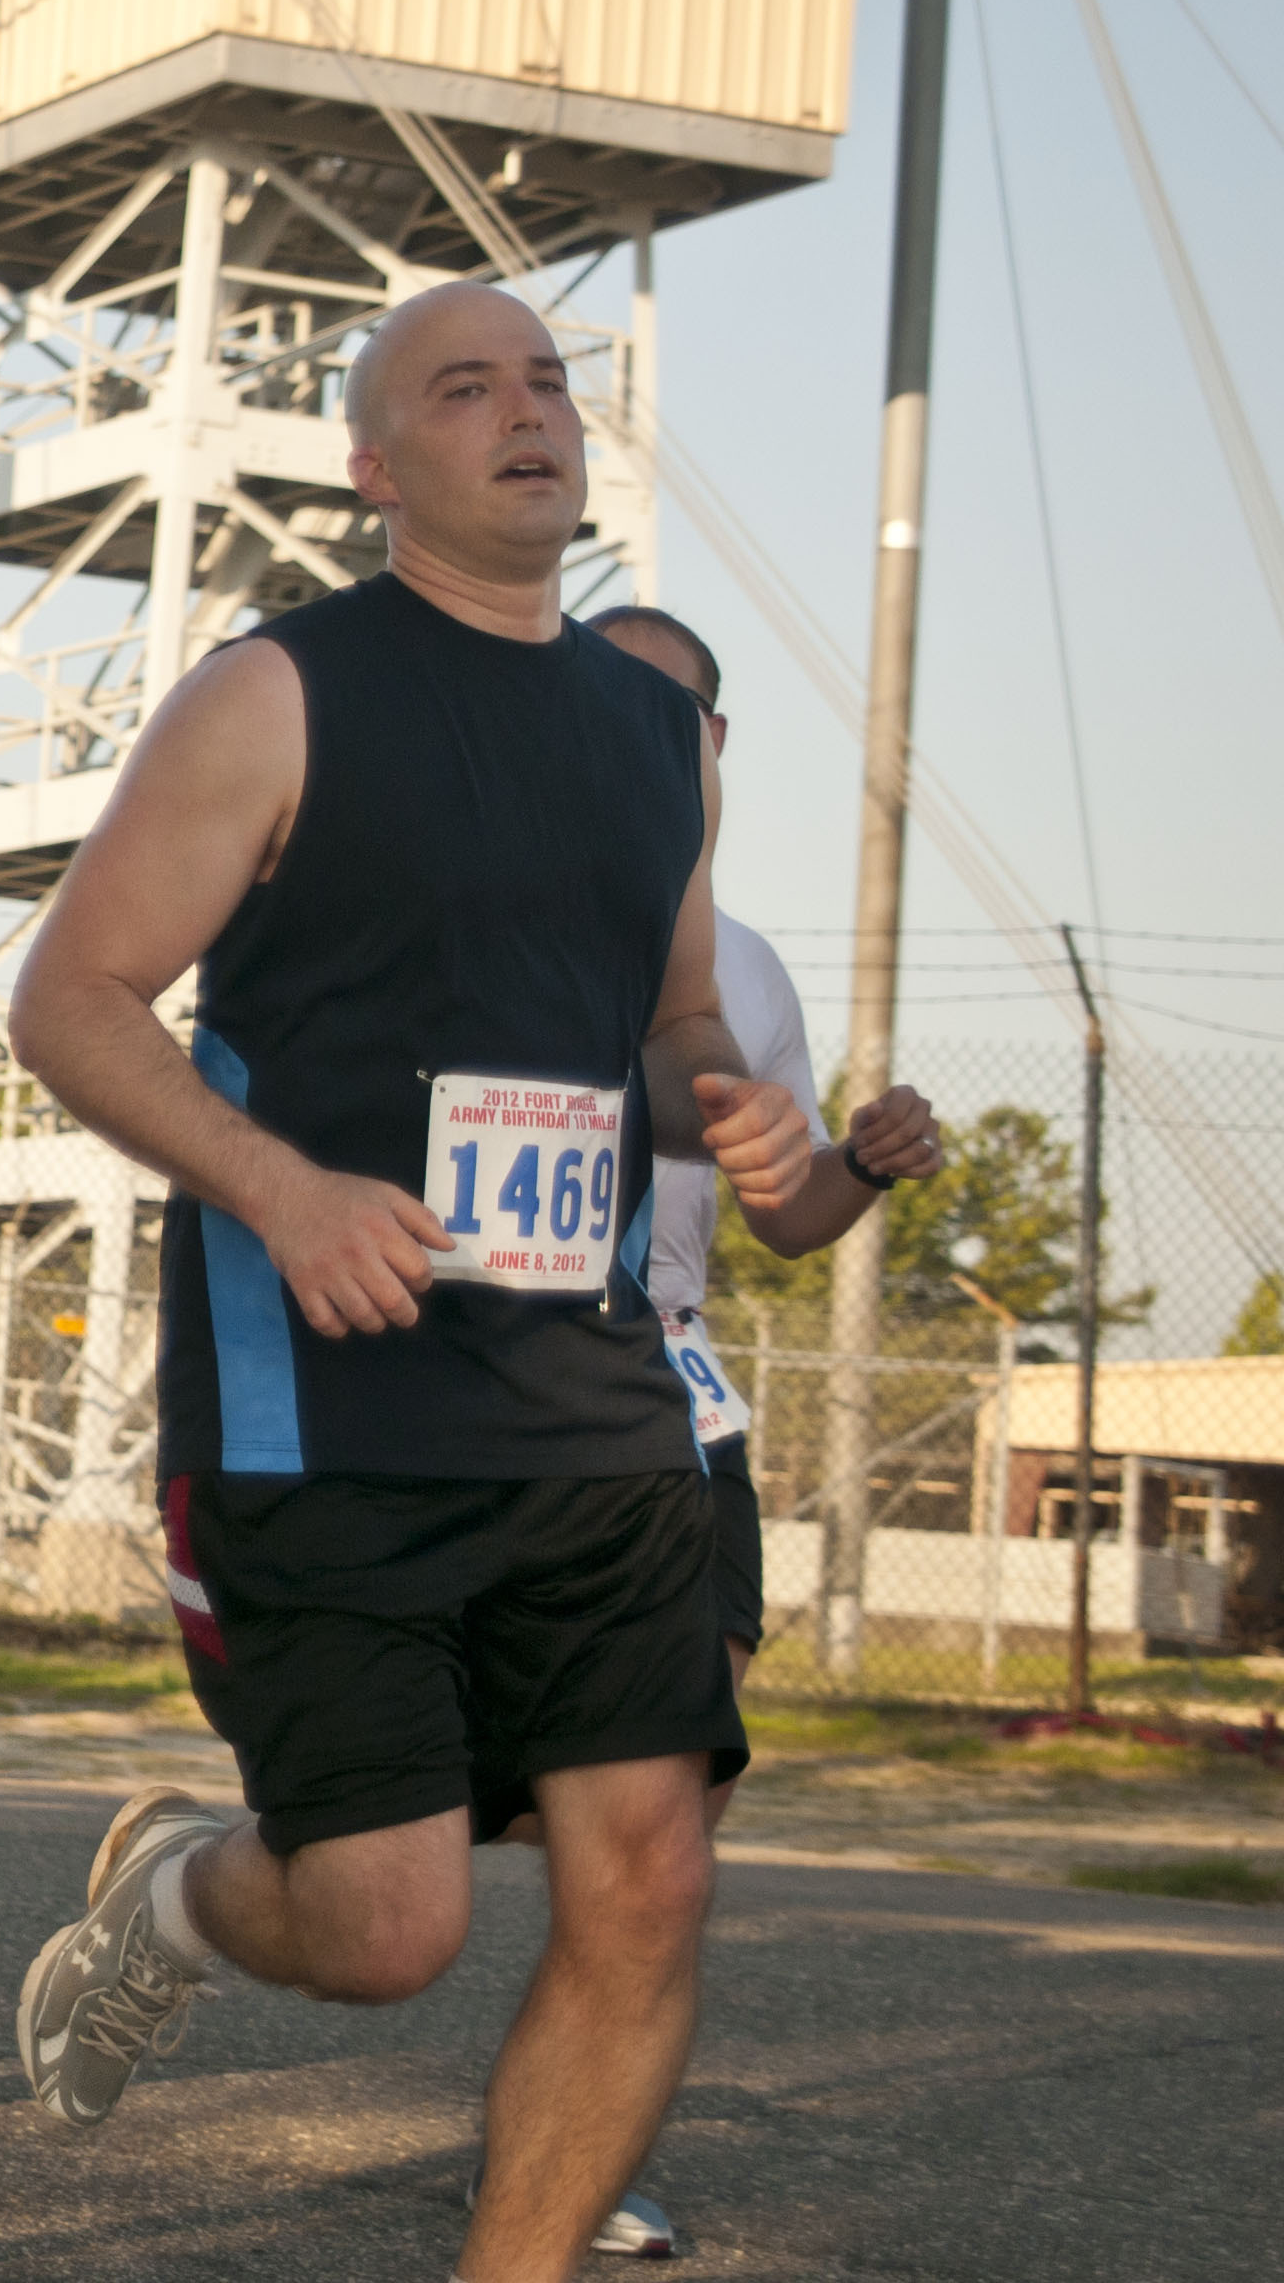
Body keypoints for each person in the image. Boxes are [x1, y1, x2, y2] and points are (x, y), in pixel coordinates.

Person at [0, 284, 814, 2283]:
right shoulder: (276, 693)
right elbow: (69, 998)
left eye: (543, 379)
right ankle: (176, 1892)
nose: (524, 410)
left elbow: (671, 1025)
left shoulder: (651, 741)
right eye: (464, 387)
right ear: (374, 470)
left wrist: (739, 1114)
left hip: (593, 1410)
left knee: (644, 1881)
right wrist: (275, 1186)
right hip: (327, 1413)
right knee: (386, 1924)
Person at [463, 604, 943, 2258]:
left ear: (714, 752)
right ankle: (228, 1867)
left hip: (669, 1396)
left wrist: (862, 1163)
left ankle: (562, 2152)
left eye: (673, 718)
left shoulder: (742, 971)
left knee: (665, 1805)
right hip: (478, 1391)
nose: (640, 740)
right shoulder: (458, 904)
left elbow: (785, 1209)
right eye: (602, 705)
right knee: (419, 1851)